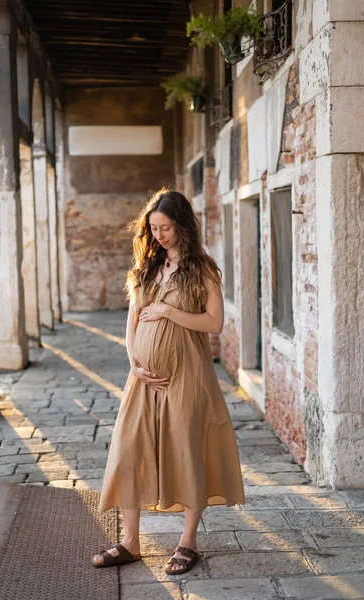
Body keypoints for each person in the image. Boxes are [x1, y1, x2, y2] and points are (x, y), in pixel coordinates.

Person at [92, 188, 245, 575]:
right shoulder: (147, 266)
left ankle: (187, 542)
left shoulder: (203, 268)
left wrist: (167, 310)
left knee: (186, 450)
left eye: (166, 228)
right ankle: (130, 542)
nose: (159, 235)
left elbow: (214, 323)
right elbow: (132, 320)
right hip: (143, 379)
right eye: (154, 228)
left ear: (182, 226)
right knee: (128, 449)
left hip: (187, 377)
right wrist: (134, 363)